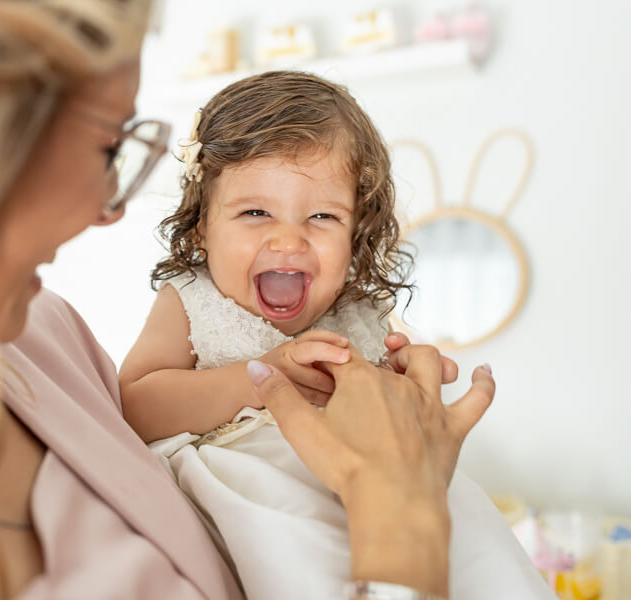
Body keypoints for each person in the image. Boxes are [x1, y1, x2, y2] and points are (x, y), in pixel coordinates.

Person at [0, 1, 498, 599]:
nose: (112, 207)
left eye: (323, 217)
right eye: (108, 146)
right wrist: (401, 529)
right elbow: (153, 404)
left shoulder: (46, 338)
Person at [120, 72, 553, 599]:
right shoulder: (191, 299)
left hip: (379, 481)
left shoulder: (359, 310)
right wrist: (262, 378)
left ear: (357, 232)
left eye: (323, 216)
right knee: (304, 553)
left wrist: (403, 383)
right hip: (258, 488)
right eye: (256, 212)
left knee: (475, 539)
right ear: (202, 228)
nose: (288, 239)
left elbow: (383, 406)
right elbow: (135, 407)